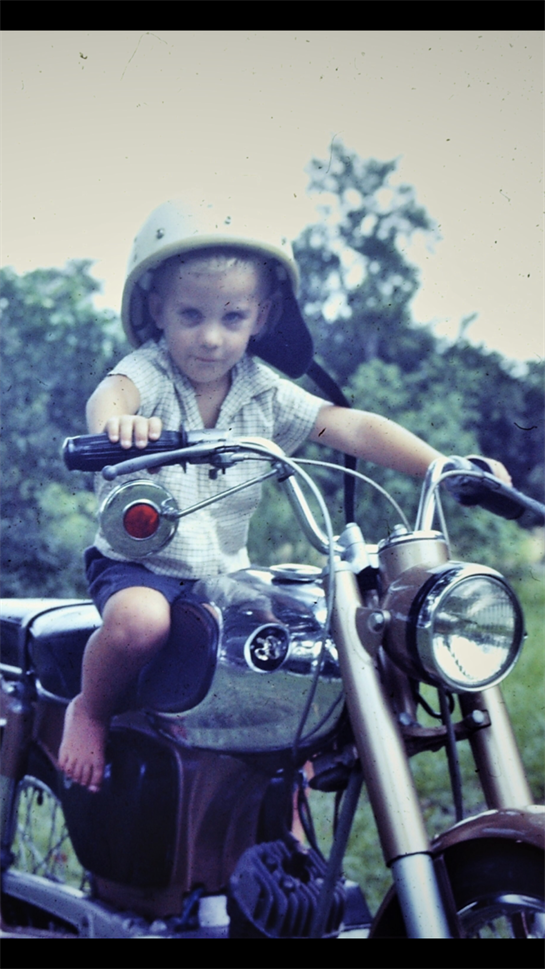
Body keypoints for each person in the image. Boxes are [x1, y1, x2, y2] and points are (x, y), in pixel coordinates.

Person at [58, 197, 510, 792]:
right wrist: (120, 425)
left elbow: (348, 424)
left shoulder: (263, 392)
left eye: (233, 317)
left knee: (288, 656)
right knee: (141, 624)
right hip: (142, 566)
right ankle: (89, 709)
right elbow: (111, 395)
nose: (212, 338)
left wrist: (442, 466)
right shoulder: (150, 371)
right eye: (191, 315)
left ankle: (279, 791)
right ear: (156, 310)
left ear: (262, 316)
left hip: (225, 572)